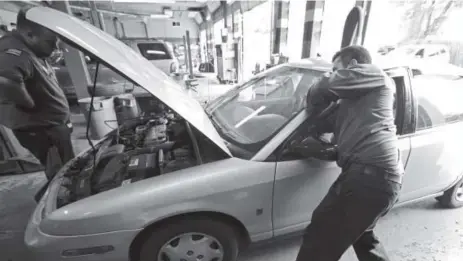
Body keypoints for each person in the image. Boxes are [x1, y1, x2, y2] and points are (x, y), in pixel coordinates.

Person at [294, 45, 404, 261]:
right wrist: (310, 147)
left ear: (354, 66)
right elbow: (337, 144)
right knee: (362, 237)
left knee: (320, 238)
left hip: (370, 178)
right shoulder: (353, 104)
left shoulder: (376, 74)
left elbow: (326, 85)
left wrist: (324, 82)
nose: (333, 73)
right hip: (376, 179)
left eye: (336, 68)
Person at [0, 8, 74, 185]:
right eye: (50, 42)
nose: (55, 47)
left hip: (51, 126)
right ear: (29, 34)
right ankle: (63, 208)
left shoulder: (29, 48)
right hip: (43, 129)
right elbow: (6, 81)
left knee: (67, 168)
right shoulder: (13, 52)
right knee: (62, 177)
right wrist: (28, 103)